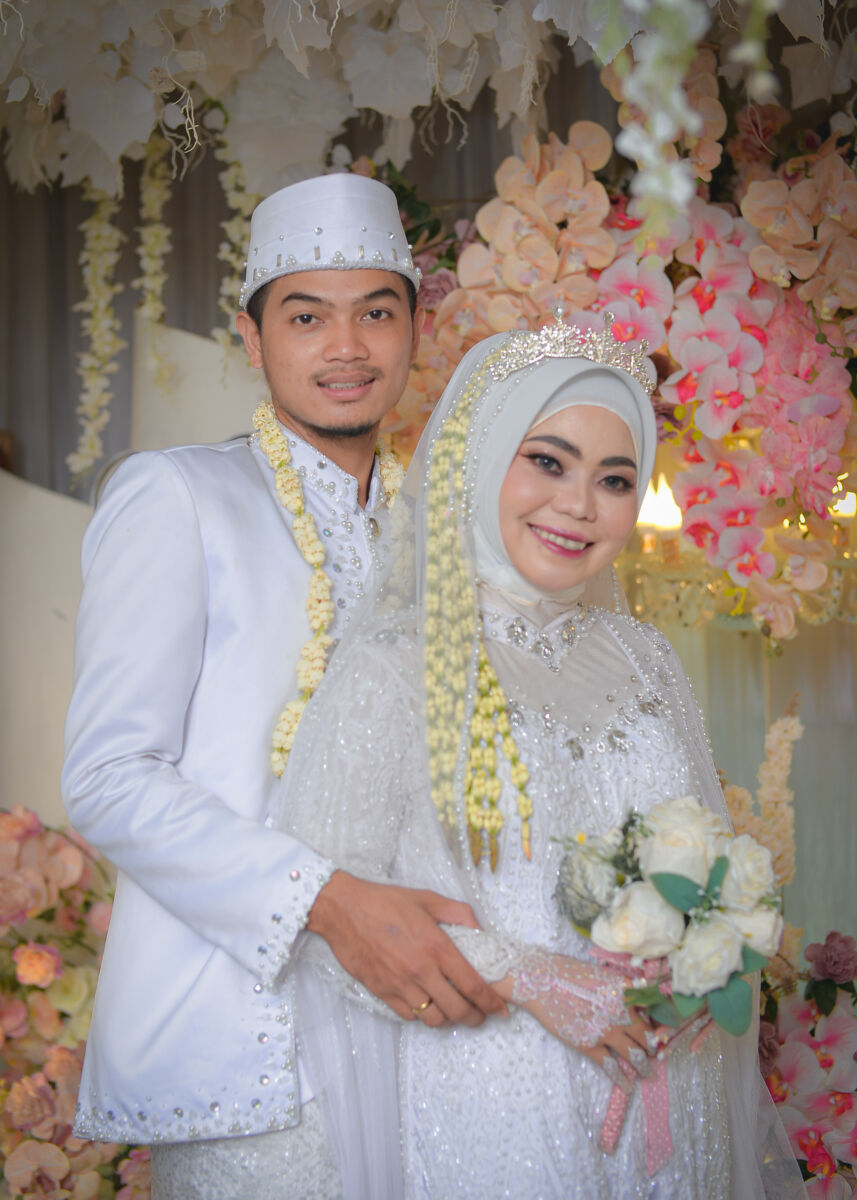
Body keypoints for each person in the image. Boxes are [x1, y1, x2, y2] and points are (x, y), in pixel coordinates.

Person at [274, 321, 804, 1198]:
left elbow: (700, 862)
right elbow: (328, 921)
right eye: (548, 462)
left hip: (668, 1086)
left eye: (615, 479)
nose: (579, 505)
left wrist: (704, 960)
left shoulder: (644, 658)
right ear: (480, 461)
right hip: (494, 1093)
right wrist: (528, 976)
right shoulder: (394, 665)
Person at [61, 173, 506, 1197]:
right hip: (244, 1044)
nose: (346, 347)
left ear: (414, 330)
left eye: (375, 313)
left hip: (425, 1037)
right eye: (306, 317)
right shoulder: (177, 495)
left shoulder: (444, 536)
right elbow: (109, 777)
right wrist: (330, 904)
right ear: (251, 338)